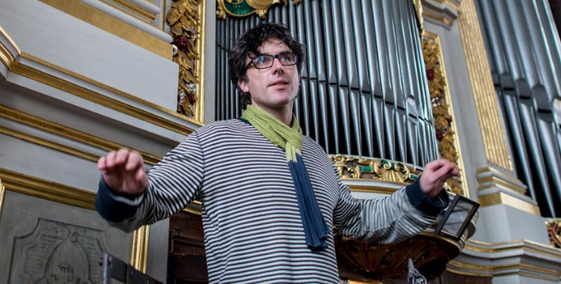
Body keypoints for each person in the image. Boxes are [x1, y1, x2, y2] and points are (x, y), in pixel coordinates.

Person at [96, 22, 458, 284]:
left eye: (286, 58)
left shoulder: (316, 155)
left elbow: (362, 221)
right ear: (243, 82)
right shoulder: (213, 140)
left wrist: (420, 192)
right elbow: (153, 200)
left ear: (298, 74)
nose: (278, 66)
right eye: (262, 61)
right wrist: (125, 192)